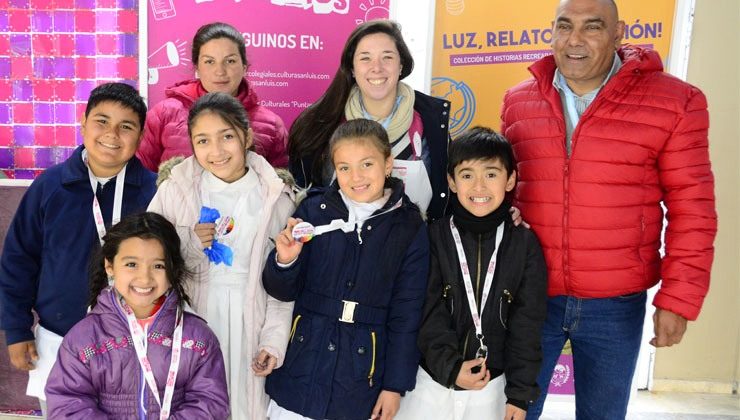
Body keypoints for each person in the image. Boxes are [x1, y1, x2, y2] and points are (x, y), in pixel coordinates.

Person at [500, 0, 717, 418]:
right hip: (530, 295)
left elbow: (693, 208)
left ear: (618, 35)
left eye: (592, 27)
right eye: (564, 26)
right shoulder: (517, 102)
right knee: (513, 412)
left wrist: (678, 297)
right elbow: (502, 194)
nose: (574, 40)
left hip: (615, 303)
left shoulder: (676, 102)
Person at [0, 82, 157, 415]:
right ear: (83, 122)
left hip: (136, 342)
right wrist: (16, 328)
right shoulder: (50, 186)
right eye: (102, 121)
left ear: (141, 136)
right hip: (59, 338)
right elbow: (19, 259)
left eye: (126, 126)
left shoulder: (156, 193)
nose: (112, 134)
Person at [263, 119, 429, 420]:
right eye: (344, 167)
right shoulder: (313, 211)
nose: (356, 177)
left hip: (360, 379)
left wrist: (394, 387)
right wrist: (285, 260)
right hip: (300, 367)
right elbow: (279, 290)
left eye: (367, 164)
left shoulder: (409, 226)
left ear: (388, 163)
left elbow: (407, 314)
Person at [147, 92, 295, 418]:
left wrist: (273, 340)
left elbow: (285, 282)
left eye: (226, 136)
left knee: (242, 406)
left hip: (250, 323)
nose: (215, 151)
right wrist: (188, 242)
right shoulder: (175, 190)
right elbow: (148, 261)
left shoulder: (275, 196)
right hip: (192, 319)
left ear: (247, 136)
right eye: (202, 140)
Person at [396, 127, 547, 420]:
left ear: (510, 179)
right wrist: (451, 367)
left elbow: (527, 325)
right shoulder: (433, 237)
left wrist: (519, 393)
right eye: (467, 175)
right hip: (431, 382)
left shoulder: (524, 244)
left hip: (492, 387)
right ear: (452, 182)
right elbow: (426, 311)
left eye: (491, 174)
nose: (479, 186)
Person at [45, 212, 229, 418]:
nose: (144, 277)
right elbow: (67, 405)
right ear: (109, 266)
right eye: (131, 264)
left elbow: (210, 403)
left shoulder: (198, 338)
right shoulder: (83, 339)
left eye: (159, 266)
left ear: (173, 270)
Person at [288, 20, 451, 222]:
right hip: (339, 248)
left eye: (387, 57)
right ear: (352, 69)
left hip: (413, 247)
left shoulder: (431, 122)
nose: (377, 68)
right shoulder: (320, 125)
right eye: (365, 58)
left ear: (401, 65)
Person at [137, 22, 289, 172]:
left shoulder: (272, 125)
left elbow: (279, 185)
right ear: (197, 67)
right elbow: (140, 177)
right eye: (209, 61)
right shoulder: (164, 113)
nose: (220, 71)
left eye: (230, 61)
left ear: (244, 67)